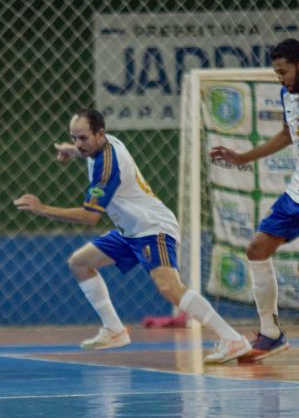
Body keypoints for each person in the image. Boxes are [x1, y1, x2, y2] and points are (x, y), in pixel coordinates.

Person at [14, 109, 251, 364]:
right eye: (74, 138)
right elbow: (84, 150)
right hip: (129, 230)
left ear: (100, 134)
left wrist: (43, 209)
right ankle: (114, 330)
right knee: (80, 263)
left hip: (152, 227)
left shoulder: (107, 165)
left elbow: (90, 216)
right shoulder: (101, 146)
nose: (78, 144)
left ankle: (232, 339)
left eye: (82, 138)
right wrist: (71, 150)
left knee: (170, 288)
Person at [210, 38, 299, 361]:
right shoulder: (288, 95)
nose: (280, 78)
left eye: (283, 72)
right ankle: (271, 334)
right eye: (276, 73)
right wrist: (244, 158)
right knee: (257, 249)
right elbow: (288, 135)